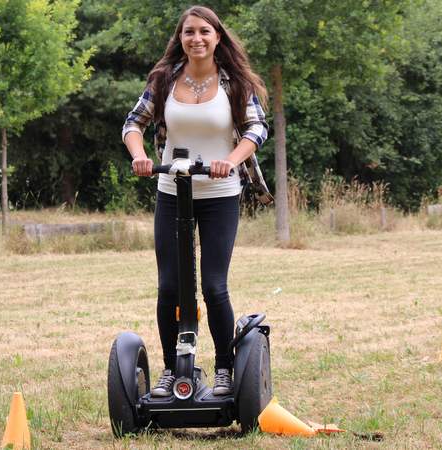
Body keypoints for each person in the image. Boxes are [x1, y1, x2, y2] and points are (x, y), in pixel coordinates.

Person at [122, 5, 270, 397]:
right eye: (189, 32)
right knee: (169, 287)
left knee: (214, 286)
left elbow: (256, 129)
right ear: (181, 39)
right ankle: (172, 370)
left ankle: (224, 369)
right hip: (172, 191)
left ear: (217, 37)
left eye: (205, 31)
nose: (197, 38)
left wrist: (230, 161)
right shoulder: (164, 80)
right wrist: (139, 155)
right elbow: (133, 122)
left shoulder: (236, 83)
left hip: (219, 193)